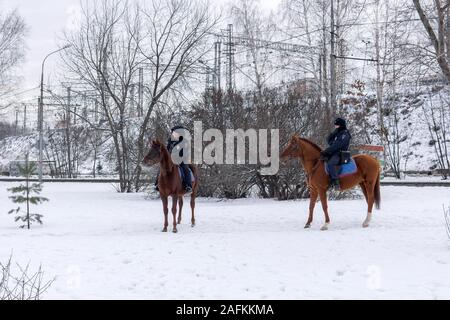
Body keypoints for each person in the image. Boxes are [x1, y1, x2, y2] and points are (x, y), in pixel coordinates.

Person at [155, 125, 193, 193]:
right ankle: (157, 184)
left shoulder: (185, 142)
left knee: (185, 168)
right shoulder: (170, 141)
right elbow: (167, 151)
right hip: (171, 160)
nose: (173, 134)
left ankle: (188, 186)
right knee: (161, 168)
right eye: (173, 132)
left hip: (182, 159)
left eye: (175, 132)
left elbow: (186, 152)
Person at [320, 118, 352, 190]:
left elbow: (337, 145)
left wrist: (327, 151)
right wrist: (332, 134)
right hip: (334, 152)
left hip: (340, 154)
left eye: (337, 125)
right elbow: (330, 142)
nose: (336, 127)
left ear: (341, 125)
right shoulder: (338, 132)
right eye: (335, 125)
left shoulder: (345, 134)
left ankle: (336, 181)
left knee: (330, 163)